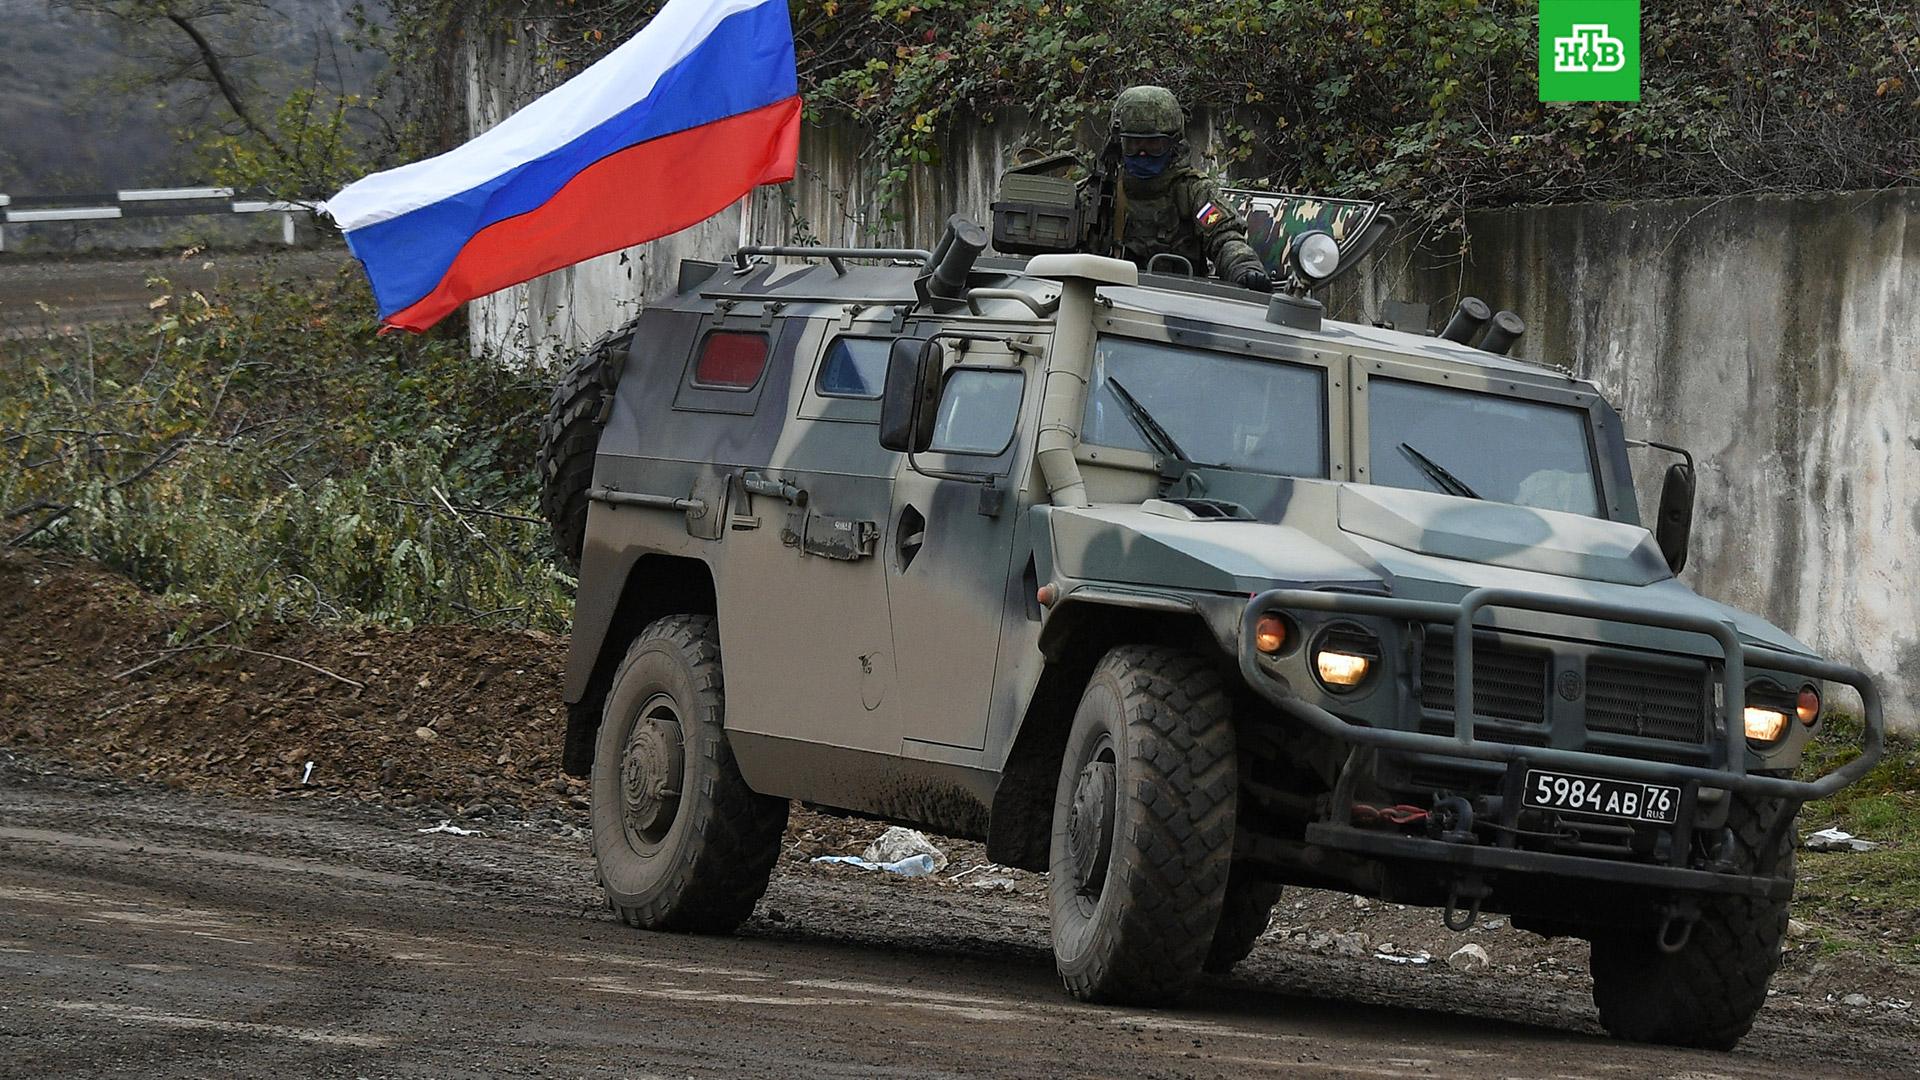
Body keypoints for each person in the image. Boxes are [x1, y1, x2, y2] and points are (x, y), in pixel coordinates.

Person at [1078, 86, 1271, 290]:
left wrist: (1244, 269)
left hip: (1178, 300)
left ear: (1173, 144)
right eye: (1133, 144)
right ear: (1118, 144)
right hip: (1108, 299)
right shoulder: (1097, 194)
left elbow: (1225, 238)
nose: (1142, 153)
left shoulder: (1194, 193)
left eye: (1153, 145)